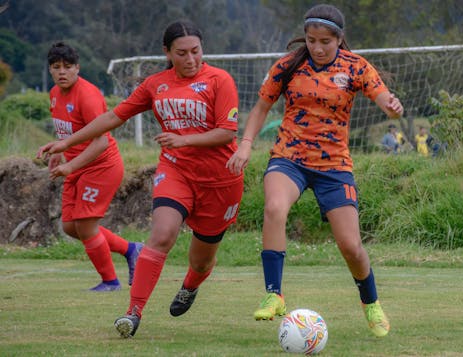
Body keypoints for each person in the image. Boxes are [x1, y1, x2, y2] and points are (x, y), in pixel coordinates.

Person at [38, 22, 244, 338]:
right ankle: (133, 313)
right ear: (167, 52)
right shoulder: (155, 84)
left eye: (196, 51)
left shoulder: (220, 80)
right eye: (182, 53)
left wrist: (185, 139)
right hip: (176, 171)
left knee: (201, 262)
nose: (190, 59)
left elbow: (227, 132)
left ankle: (190, 286)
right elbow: (112, 117)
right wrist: (65, 143)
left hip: (220, 181)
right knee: (162, 234)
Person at [226, 4, 403, 338]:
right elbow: (261, 107)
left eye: (325, 41)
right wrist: (246, 143)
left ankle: (371, 303)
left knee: (351, 246)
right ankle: (274, 294)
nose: (318, 48)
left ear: (339, 39)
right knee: (275, 207)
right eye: (311, 40)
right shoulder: (287, 66)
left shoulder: (355, 67)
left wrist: (392, 107)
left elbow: (383, 97)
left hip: (334, 166)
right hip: (289, 157)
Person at [39, 42, 143, 292]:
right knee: (70, 227)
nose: (62, 72)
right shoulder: (54, 93)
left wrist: (71, 164)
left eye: (67, 66)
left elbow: (100, 141)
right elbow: (69, 130)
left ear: (78, 68)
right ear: (50, 70)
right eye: (56, 67)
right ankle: (131, 249)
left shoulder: (88, 95)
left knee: (85, 226)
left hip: (101, 166)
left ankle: (110, 282)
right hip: (76, 166)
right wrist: (61, 152)